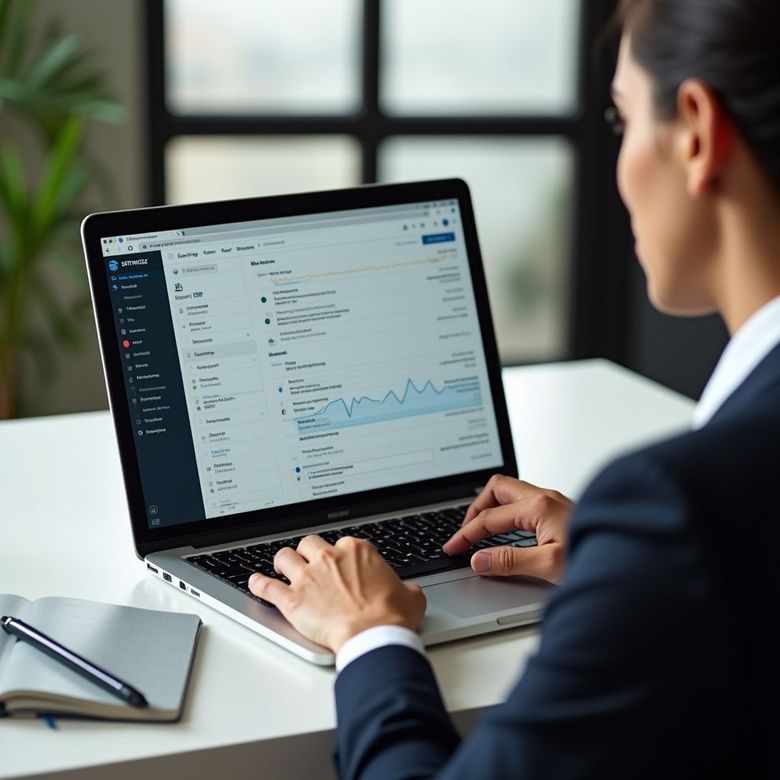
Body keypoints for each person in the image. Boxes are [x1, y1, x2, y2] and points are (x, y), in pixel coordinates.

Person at [248, 0, 780, 776]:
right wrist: (623, 575)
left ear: (697, 132)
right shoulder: (679, 525)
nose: (621, 159)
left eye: (623, 119)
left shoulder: (676, 509)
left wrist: (368, 632)